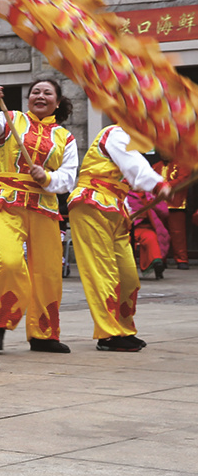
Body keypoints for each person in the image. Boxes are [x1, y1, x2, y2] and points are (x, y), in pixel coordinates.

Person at [0, 79, 78, 354]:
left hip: (44, 207)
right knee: (9, 262)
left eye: (47, 93)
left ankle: (44, 334)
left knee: (49, 272)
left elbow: (68, 178)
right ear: (27, 98)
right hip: (8, 203)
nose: (40, 96)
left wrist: (48, 178)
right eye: (35, 92)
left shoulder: (64, 137)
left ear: (57, 101)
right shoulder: (11, 119)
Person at [69, 125, 169, 350]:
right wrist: (157, 183)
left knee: (128, 277)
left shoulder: (133, 144)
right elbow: (133, 164)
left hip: (115, 211)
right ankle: (108, 334)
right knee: (103, 273)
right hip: (91, 204)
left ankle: (123, 328)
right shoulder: (116, 133)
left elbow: (131, 171)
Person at [129, 185, 169, 279]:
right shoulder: (124, 194)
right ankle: (126, 267)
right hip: (127, 229)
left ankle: (157, 262)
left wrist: (154, 203)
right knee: (126, 243)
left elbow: (165, 213)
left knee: (151, 239)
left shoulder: (151, 195)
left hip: (146, 227)